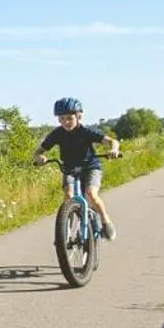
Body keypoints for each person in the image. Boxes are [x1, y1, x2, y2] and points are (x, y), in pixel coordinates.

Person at [35, 97, 120, 239]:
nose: (66, 122)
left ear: (78, 116)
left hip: (90, 167)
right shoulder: (57, 134)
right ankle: (65, 231)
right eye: (62, 119)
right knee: (68, 195)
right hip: (69, 168)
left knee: (90, 194)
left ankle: (106, 221)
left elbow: (112, 141)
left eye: (69, 118)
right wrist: (39, 158)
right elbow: (39, 151)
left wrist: (114, 149)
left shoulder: (85, 131)